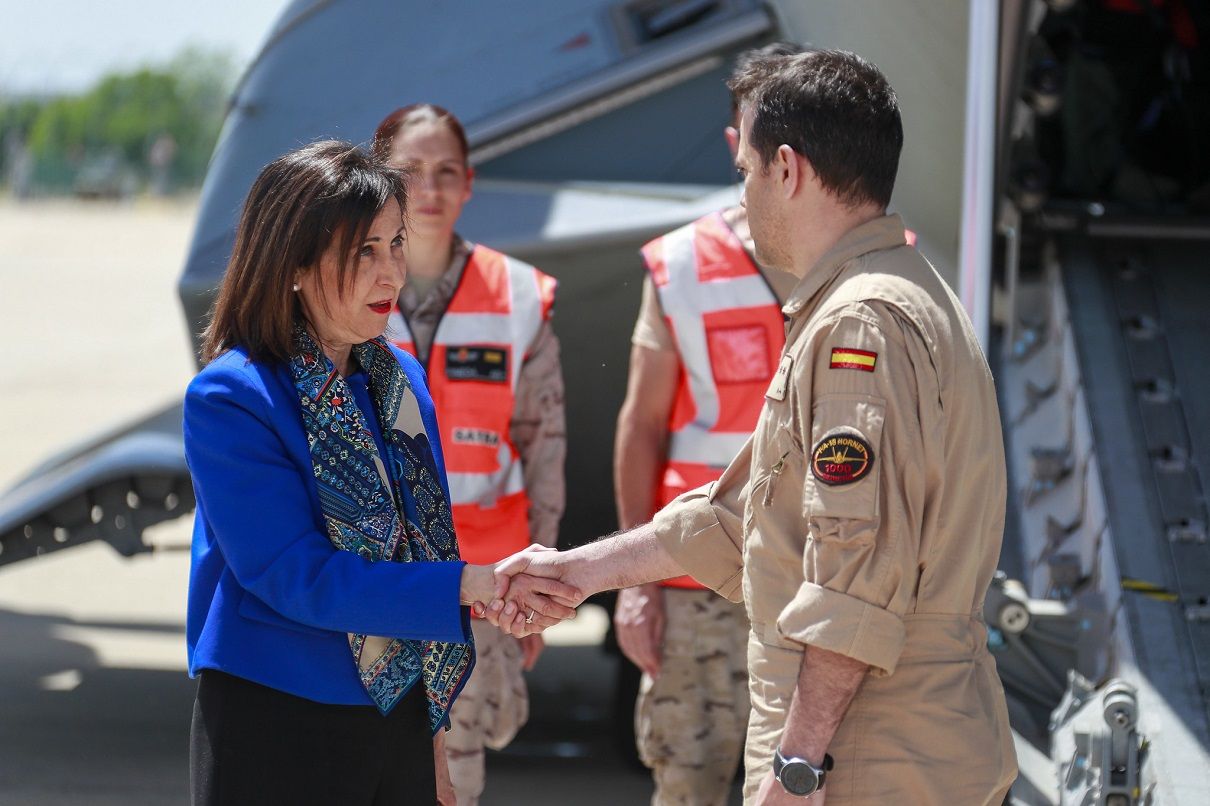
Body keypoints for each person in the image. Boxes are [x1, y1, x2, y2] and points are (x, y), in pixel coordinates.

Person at [485, 50, 1018, 804]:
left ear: (788, 170)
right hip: (899, 743)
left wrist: (797, 768)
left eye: (747, 173)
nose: (745, 193)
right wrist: (578, 573)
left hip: (869, 756)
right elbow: (748, 519)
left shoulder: (857, 325)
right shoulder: (898, 293)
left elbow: (853, 576)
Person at [184, 140, 578, 806]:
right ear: (294, 265)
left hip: (396, 722)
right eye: (363, 251)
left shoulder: (399, 382)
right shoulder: (233, 398)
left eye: (396, 244)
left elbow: (420, 547)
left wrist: (434, 753)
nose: (391, 272)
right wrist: (466, 585)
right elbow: (295, 576)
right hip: (276, 720)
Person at [613, 42, 801, 806]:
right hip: (694, 583)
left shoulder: (869, 265)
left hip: (814, 583)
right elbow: (641, 426)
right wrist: (635, 583)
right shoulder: (682, 265)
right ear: (738, 145)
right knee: (688, 784)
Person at [371, 104, 566, 806]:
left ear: (469, 183)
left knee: (456, 775)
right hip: (372, 583)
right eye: (409, 171)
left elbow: (546, 445)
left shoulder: (516, 295)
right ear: (377, 177)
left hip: (480, 587)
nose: (428, 189)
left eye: (445, 171)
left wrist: (541, 584)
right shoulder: (343, 289)